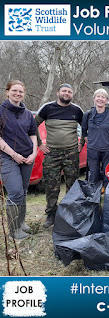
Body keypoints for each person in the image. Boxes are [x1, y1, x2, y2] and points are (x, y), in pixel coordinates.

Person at [35, 83, 83, 228]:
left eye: (69, 91)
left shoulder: (77, 110)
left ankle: (69, 212)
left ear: (72, 94)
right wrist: (39, 143)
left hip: (71, 153)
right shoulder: (47, 108)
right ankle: (51, 214)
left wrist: (82, 144)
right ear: (58, 92)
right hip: (52, 153)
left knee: (72, 185)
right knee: (51, 185)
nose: (67, 93)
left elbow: (86, 127)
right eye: (64, 91)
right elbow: (32, 125)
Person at [0, 80, 37, 239]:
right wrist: (13, 154)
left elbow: (33, 135)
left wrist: (34, 153)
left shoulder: (27, 113)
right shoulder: (1, 111)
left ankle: (21, 223)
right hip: (7, 157)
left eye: (20, 91)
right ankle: (13, 231)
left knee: (23, 191)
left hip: (27, 157)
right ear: (7, 92)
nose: (18, 94)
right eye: (14, 90)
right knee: (15, 192)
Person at [82, 89, 109, 192]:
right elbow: (84, 130)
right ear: (94, 99)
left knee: (108, 174)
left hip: (107, 149)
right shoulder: (87, 115)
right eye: (98, 96)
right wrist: (88, 140)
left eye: (103, 97)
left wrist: (106, 139)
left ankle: (108, 197)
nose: (100, 99)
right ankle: (94, 199)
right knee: (93, 175)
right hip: (92, 150)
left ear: (107, 101)